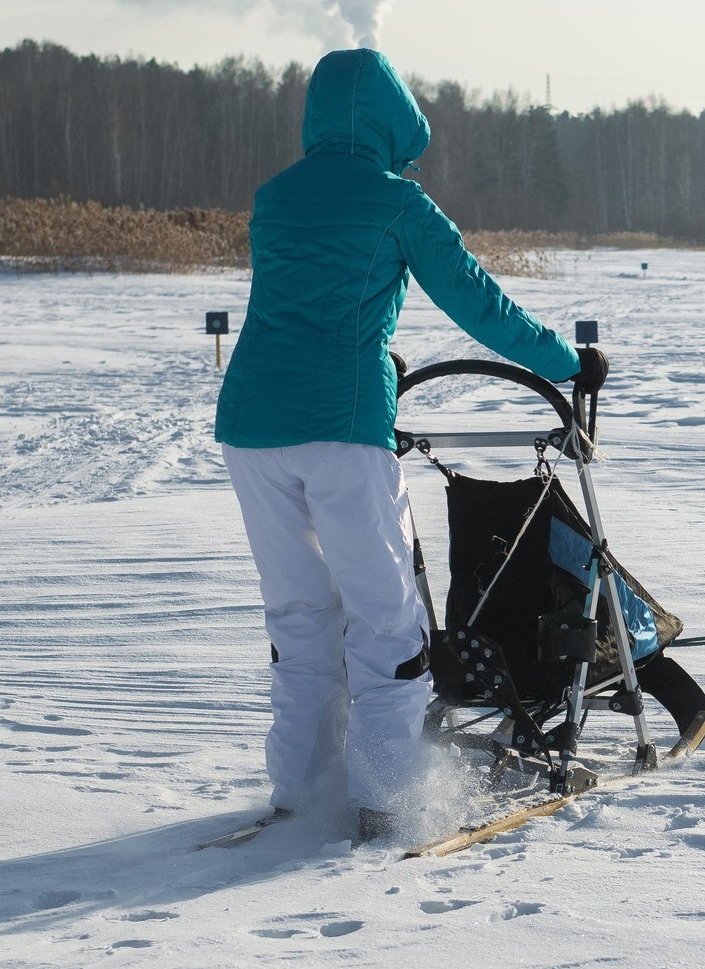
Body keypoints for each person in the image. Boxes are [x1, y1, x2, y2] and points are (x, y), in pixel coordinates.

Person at [215, 49, 604, 844]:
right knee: (386, 621)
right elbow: (479, 303)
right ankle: (384, 801)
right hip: (341, 427)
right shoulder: (399, 201)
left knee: (299, 613)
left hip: (252, 426)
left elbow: (304, 306)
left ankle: (300, 790)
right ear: (394, 118)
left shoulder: (274, 197)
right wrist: (569, 363)